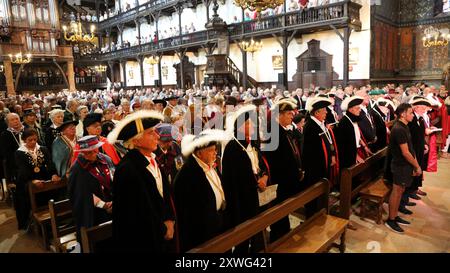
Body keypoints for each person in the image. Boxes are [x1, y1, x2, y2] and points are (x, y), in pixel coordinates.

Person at [108, 110, 175, 252]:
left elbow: (165, 194)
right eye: (151, 133)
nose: (158, 136)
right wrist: (163, 228)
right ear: (136, 140)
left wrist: (169, 220)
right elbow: (140, 211)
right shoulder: (127, 169)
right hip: (142, 240)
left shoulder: (152, 159)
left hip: (160, 235)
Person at [174, 129, 230, 252]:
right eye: (211, 150)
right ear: (199, 153)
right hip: (202, 233)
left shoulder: (208, 165)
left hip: (218, 224)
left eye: (215, 149)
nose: (215, 153)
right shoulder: (188, 174)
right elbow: (187, 211)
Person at [222, 105, 268, 253]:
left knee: (257, 232)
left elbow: (261, 164)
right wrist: (256, 183)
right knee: (243, 236)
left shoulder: (252, 143)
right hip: (242, 201)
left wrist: (265, 177)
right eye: (250, 123)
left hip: (257, 196)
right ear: (242, 126)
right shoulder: (232, 148)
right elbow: (232, 180)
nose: (254, 125)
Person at [264, 99, 303, 242]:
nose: (292, 117)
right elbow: (272, 159)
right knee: (278, 209)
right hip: (279, 179)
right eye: (289, 114)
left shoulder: (283, 129)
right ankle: (278, 236)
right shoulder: (272, 130)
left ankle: (284, 231)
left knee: (284, 208)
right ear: (279, 115)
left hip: (287, 178)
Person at [69, 135, 115, 240]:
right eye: (89, 152)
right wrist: (104, 206)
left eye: (95, 150)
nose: (94, 154)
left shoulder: (106, 159)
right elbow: (81, 195)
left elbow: (115, 180)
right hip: (93, 212)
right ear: (81, 152)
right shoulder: (77, 169)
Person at [385, 103, 421, 233]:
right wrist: (417, 166)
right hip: (400, 166)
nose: (412, 115)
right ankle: (391, 219)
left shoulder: (404, 126)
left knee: (400, 191)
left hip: (405, 165)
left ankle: (394, 216)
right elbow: (405, 152)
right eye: (410, 113)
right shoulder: (399, 129)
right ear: (402, 114)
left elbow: (410, 149)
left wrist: (416, 164)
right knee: (396, 191)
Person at [15, 128, 60, 230]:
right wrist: (31, 180)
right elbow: (22, 169)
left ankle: (53, 219)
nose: (33, 142)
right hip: (27, 179)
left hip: (44, 177)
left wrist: (53, 174)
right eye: (30, 140)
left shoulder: (43, 149)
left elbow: (50, 163)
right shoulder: (19, 153)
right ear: (24, 140)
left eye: (35, 139)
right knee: (26, 194)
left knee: (52, 189)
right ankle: (33, 222)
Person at [303, 96, 339, 216]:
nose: (327, 112)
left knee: (321, 196)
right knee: (313, 198)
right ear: (317, 112)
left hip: (323, 166)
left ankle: (321, 213)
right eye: (324, 110)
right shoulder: (310, 126)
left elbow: (328, 143)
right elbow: (310, 152)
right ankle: (312, 218)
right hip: (315, 169)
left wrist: (332, 156)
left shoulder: (321, 124)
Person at [336, 96, 372, 169]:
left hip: (357, 150)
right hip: (349, 155)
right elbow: (345, 144)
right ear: (351, 109)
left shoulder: (353, 119)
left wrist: (364, 146)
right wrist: (356, 156)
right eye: (357, 108)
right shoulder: (344, 123)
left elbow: (357, 136)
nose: (360, 110)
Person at [0, 113, 24, 184]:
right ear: (8, 123)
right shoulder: (5, 135)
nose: (15, 121)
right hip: (15, 162)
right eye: (12, 120)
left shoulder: (26, 130)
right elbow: (6, 153)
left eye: (17, 119)